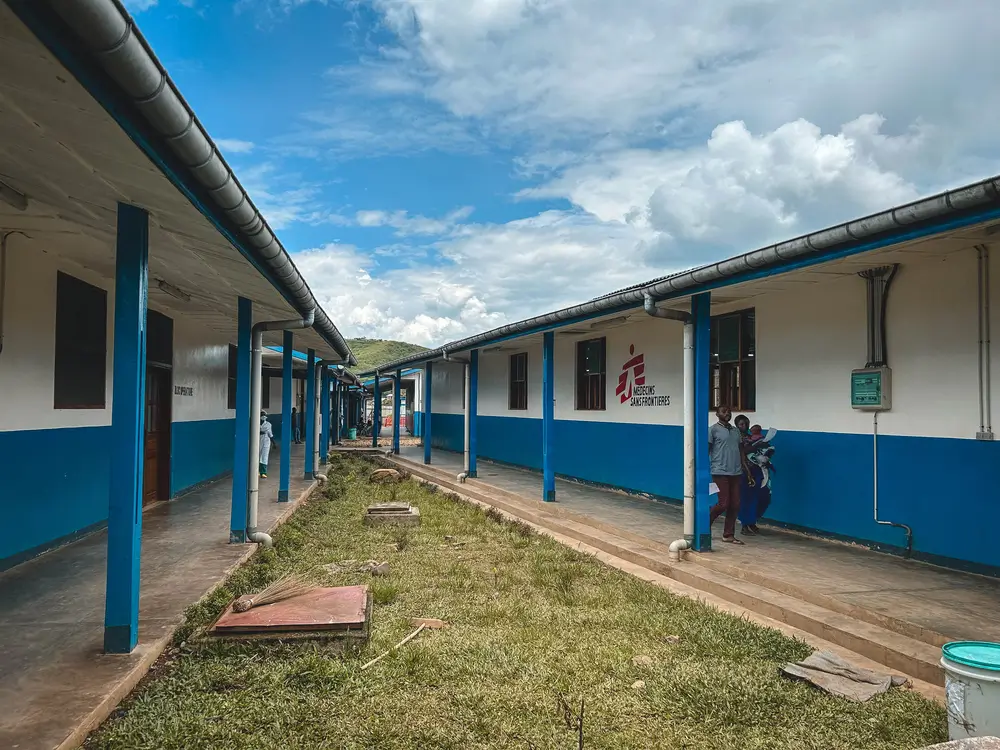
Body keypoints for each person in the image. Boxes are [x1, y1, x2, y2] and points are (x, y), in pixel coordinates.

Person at [709, 405, 745, 544]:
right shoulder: (713, 430)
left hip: (735, 471)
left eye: (729, 412)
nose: (727, 413)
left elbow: (741, 450)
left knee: (735, 504)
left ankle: (728, 534)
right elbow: (707, 449)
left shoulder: (736, 431)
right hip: (719, 471)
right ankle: (704, 523)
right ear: (717, 414)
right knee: (723, 503)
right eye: (724, 412)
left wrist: (745, 468)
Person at [739, 423, 776, 535]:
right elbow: (742, 454)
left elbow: (768, 453)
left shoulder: (761, 440)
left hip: (761, 472)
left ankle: (752, 521)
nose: (744, 426)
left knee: (764, 498)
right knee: (748, 500)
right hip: (747, 473)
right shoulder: (740, 440)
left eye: (745, 423)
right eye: (741, 424)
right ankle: (745, 524)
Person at [259, 410, 273, 478]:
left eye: (264, 415)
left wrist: (274, 443)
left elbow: (270, 434)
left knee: (264, 457)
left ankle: (263, 472)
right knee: (256, 456)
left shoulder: (268, 424)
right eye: (262, 415)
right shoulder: (255, 423)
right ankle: (257, 471)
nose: (263, 416)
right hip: (258, 442)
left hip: (266, 442)